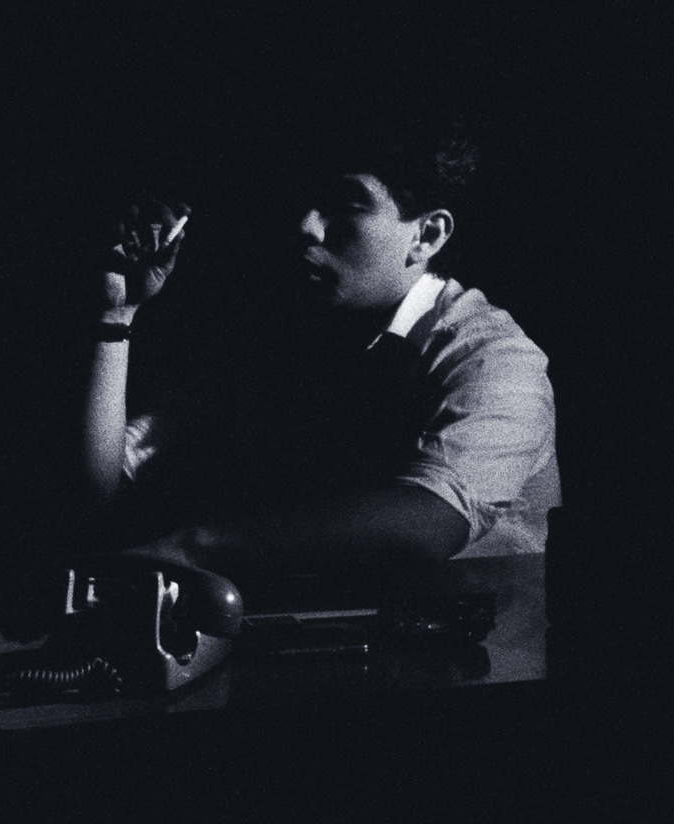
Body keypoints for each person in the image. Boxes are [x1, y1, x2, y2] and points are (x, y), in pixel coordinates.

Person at [71, 121, 559, 579]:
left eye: (346, 205)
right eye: (305, 199)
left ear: (427, 235)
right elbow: (100, 490)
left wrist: (198, 546)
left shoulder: (494, 358)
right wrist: (116, 314)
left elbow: (429, 523)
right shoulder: (282, 334)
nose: (306, 225)